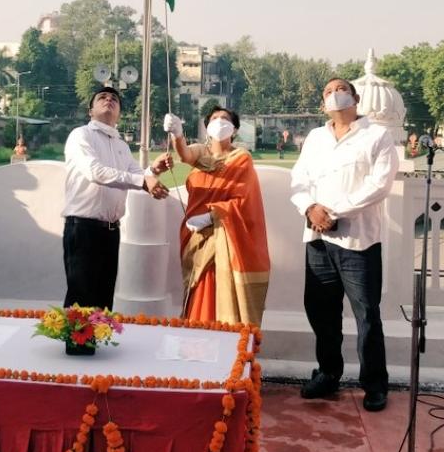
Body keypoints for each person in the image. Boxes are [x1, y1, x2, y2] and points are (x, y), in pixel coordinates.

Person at [290, 78, 397, 410]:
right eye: (326, 92)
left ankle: (375, 383)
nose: (333, 94)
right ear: (323, 104)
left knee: (366, 314)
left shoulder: (377, 135)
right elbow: (299, 179)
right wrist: (311, 208)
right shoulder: (316, 138)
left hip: (358, 241)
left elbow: (379, 185)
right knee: (321, 312)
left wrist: (334, 211)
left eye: (340, 89)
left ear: (355, 97)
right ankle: (328, 372)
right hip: (318, 239)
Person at [61, 87, 172, 326]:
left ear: (119, 113)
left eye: (114, 99)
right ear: (90, 110)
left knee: (103, 298)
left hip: (111, 231)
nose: (109, 100)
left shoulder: (120, 145)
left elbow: (134, 174)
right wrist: (144, 180)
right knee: (82, 298)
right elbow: (96, 172)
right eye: (102, 97)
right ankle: (77, 355)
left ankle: (96, 353)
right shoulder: (81, 135)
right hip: (83, 229)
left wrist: (153, 170)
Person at [164, 107, 270, 325]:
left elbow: (244, 201)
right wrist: (177, 134)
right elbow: (184, 154)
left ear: (235, 129)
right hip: (196, 235)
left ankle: (229, 345)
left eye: (225, 119)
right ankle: (196, 336)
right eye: (214, 118)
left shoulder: (241, 159)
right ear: (206, 127)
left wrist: (212, 216)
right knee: (199, 284)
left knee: (218, 283)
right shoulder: (200, 154)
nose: (219, 121)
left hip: (226, 236)